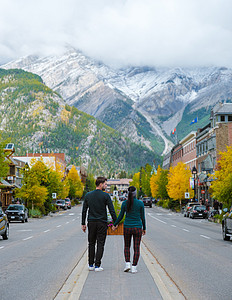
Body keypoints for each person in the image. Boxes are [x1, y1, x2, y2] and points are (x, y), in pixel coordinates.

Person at [81, 176, 117, 272]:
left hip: (91, 222)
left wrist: (83, 223)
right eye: (105, 184)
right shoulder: (105, 196)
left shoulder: (88, 195)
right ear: (100, 184)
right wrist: (115, 222)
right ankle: (97, 265)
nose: (106, 186)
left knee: (91, 243)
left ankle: (90, 264)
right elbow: (112, 210)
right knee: (100, 243)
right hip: (102, 222)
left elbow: (84, 210)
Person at [112, 186, 146, 274]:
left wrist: (115, 224)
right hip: (138, 227)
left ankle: (127, 264)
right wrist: (144, 228)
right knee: (136, 247)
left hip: (127, 227)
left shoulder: (125, 203)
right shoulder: (140, 203)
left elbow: (120, 216)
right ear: (136, 193)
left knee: (127, 246)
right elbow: (143, 217)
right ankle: (134, 267)